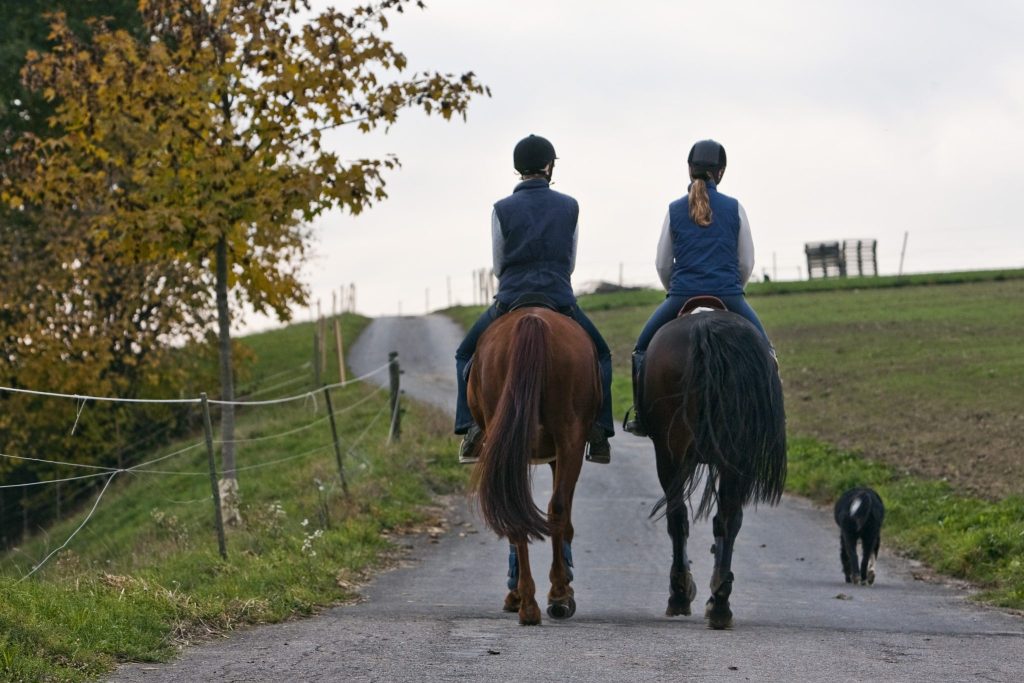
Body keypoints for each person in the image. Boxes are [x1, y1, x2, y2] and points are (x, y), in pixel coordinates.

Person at [454, 134, 615, 464]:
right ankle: (599, 431)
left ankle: (471, 428)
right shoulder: (570, 206)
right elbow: (570, 261)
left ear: (518, 168)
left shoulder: (501, 209)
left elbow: (499, 263)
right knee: (601, 356)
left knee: (465, 354)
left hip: (510, 298)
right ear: (548, 166)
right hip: (559, 297)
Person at [623, 139, 774, 437]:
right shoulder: (735, 208)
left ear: (690, 169)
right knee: (766, 352)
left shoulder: (674, 209)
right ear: (721, 172)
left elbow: (663, 263)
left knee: (641, 349)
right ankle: (770, 415)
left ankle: (641, 415)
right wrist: (733, 287)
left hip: (682, 295)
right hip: (729, 294)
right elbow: (746, 261)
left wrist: (676, 291)